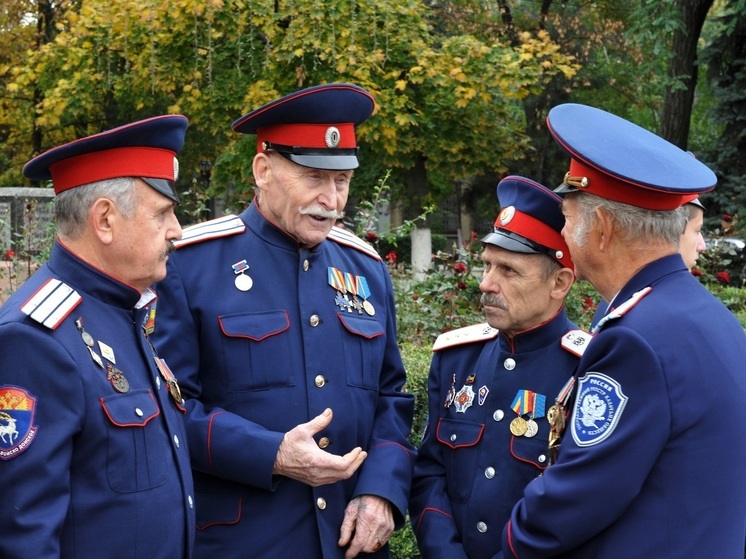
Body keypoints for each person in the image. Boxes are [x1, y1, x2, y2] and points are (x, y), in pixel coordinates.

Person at [151, 83, 415, 558]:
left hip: (350, 540)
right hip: (246, 541)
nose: (332, 200)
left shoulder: (366, 268)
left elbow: (392, 397)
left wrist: (382, 491)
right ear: (263, 170)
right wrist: (270, 453)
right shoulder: (190, 266)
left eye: (342, 181)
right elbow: (167, 410)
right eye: (314, 177)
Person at [501, 103, 746, 558]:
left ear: (604, 229)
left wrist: (513, 540)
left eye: (569, 219)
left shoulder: (633, 339)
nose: (565, 234)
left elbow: (571, 502)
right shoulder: (710, 317)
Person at [0, 115, 195, 558]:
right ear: (104, 219)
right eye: (163, 213)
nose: (176, 230)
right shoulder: (34, 339)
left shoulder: (126, 309)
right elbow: (22, 537)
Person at [409, 176, 589, 559]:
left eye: (508, 270)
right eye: (487, 265)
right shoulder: (456, 357)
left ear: (560, 282)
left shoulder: (588, 370)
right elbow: (429, 473)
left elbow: (581, 503)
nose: (486, 283)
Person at [591, 196, 706, 326]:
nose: (702, 246)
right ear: (674, 230)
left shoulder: (622, 295)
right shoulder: (684, 306)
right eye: (697, 231)